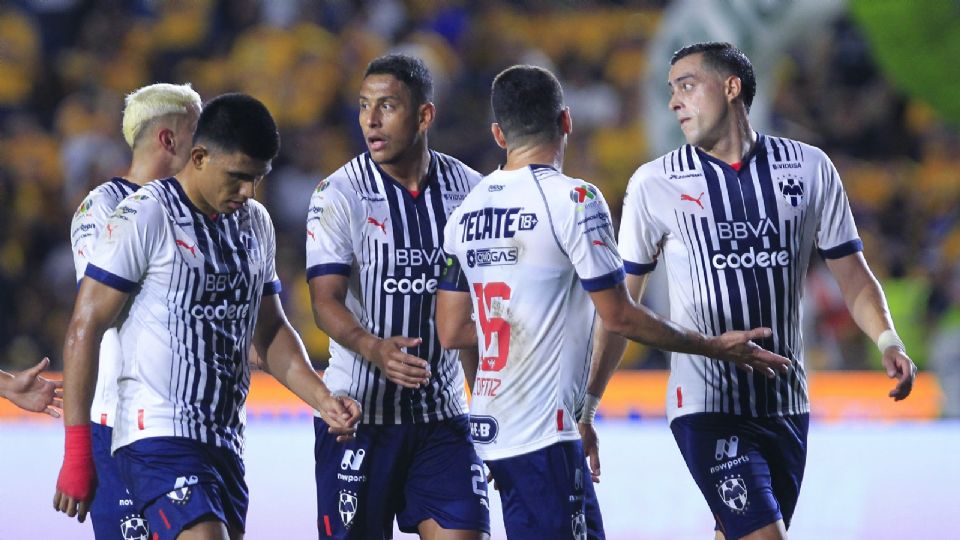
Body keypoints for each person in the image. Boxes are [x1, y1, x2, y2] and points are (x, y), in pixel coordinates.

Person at [436, 64, 791, 540]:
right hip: (546, 435)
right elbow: (619, 315)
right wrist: (715, 347)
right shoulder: (575, 199)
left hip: (494, 430)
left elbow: (454, 331)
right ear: (566, 121)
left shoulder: (465, 213)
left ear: (499, 133)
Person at [592, 42, 918, 540]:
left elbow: (853, 276)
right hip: (705, 403)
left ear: (731, 88)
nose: (674, 102)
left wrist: (888, 340)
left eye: (686, 85)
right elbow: (620, 309)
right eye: (670, 91)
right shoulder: (654, 183)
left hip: (787, 403)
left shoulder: (809, 168)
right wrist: (587, 404)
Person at [53, 93, 361, 540]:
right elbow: (86, 324)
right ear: (197, 156)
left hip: (224, 440)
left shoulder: (254, 223)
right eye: (237, 178)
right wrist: (77, 450)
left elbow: (270, 331)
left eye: (256, 179)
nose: (247, 192)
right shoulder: (145, 214)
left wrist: (323, 397)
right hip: (154, 433)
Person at [305, 54, 490, 540]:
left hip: (443, 420)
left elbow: (472, 313)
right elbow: (325, 301)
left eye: (386, 106)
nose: (370, 119)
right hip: (359, 417)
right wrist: (373, 349)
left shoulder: (470, 192)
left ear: (425, 116)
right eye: (364, 106)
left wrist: (487, 406)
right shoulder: (338, 193)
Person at [68, 81, 201, 540]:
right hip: (117, 425)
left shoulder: (201, 210)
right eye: (197, 133)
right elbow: (105, 303)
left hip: (190, 423)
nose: (207, 147)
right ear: (169, 139)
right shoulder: (101, 207)